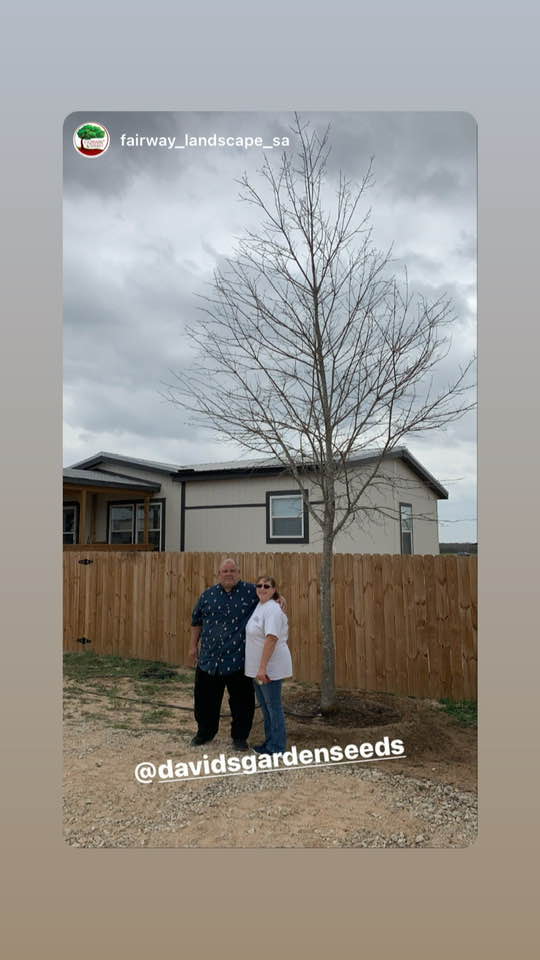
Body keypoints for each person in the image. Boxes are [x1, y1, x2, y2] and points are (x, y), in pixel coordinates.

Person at [188, 558, 258, 751]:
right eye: (225, 571)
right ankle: (205, 733)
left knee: (242, 702)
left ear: (239, 573)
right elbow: (196, 621)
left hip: (238, 659)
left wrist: (279, 598)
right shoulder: (208, 595)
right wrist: (193, 646)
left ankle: (240, 738)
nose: (229, 574)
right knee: (205, 701)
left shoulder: (252, 592)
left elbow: (270, 594)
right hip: (209, 659)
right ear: (219, 574)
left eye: (232, 570)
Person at [244, 575, 292, 755]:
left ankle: (277, 748)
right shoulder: (260, 604)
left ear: (274, 590)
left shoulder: (273, 609)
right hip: (258, 668)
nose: (262, 589)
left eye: (267, 586)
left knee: (273, 707)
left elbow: (271, 638)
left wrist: (262, 668)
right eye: (259, 585)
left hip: (269, 668)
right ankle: (269, 743)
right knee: (266, 707)